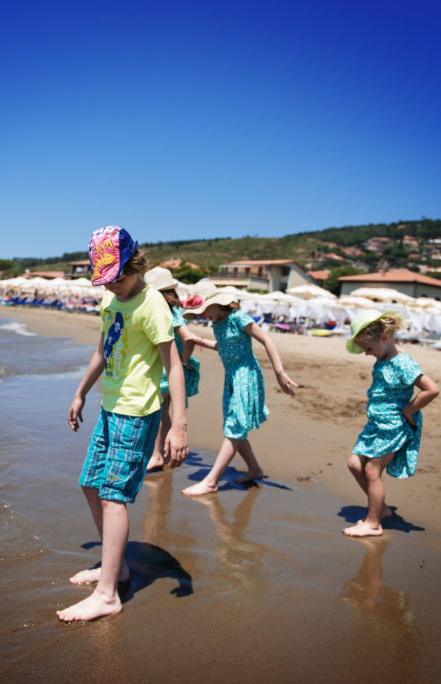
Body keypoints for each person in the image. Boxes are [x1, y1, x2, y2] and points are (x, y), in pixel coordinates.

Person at [59, 226, 189, 622]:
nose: (112, 284)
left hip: (137, 411)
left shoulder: (152, 305)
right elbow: (102, 350)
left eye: (117, 276)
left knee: (113, 496)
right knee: (90, 484)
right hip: (110, 406)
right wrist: (80, 392)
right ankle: (116, 567)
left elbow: (174, 365)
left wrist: (179, 425)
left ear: (134, 263)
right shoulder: (109, 298)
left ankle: (107, 594)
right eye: (105, 278)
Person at [179, 283, 297, 496]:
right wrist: (200, 341)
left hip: (246, 375)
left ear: (216, 304)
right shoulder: (217, 323)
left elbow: (266, 339)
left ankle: (211, 481)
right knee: (233, 424)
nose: (202, 316)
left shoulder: (238, 317)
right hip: (231, 377)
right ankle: (254, 469)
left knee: (234, 426)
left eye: (204, 310)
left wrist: (279, 372)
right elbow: (224, 346)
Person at [342, 310, 439, 538]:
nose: (367, 354)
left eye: (368, 348)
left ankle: (373, 523)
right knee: (355, 464)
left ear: (384, 338)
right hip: (376, 424)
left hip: (393, 425)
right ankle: (381, 508)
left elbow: (432, 389)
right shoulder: (383, 357)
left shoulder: (402, 362)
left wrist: (409, 410)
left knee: (372, 470)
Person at [143, 266, 201, 472]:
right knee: (164, 413)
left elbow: (189, 338)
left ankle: (156, 455)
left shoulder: (164, 310)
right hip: (170, 368)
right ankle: (166, 451)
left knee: (157, 413)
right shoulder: (175, 310)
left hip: (166, 369)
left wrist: (184, 361)